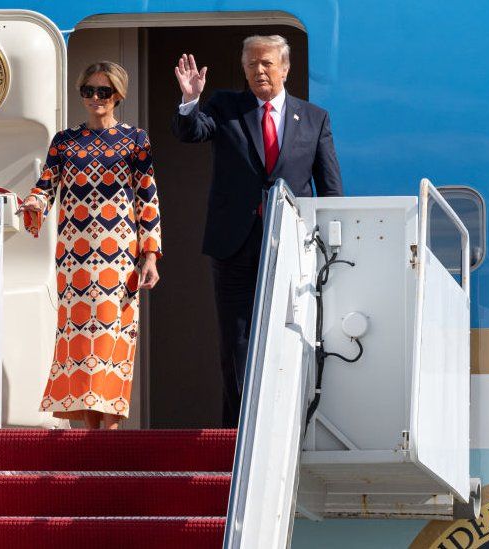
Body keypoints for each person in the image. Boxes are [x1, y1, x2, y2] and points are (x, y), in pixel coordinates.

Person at [171, 35, 343, 428]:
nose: (258, 71)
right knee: (236, 338)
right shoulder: (225, 107)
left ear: (285, 67)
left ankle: (283, 419)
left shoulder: (314, 118)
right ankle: (238, 427)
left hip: (292, 247)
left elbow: (329, 187)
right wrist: (189, 101)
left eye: (266, 63)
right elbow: (191, 132)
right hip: (234, 243)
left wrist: (332, 244)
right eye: (251, 64)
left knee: (289, 331)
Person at [19, 61, 162, 430]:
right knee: (79, 339)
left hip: (119, 255)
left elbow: (147, 198)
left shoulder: (135, 140)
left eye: (104, 91)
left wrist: (150, 255)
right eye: (89, 91)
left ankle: (109, 431)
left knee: (113, 338)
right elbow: (46, 186)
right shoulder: (65, 141)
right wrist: (34, 203)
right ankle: (85, 431)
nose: (96, 98)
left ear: (118, 95)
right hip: (75, 255)